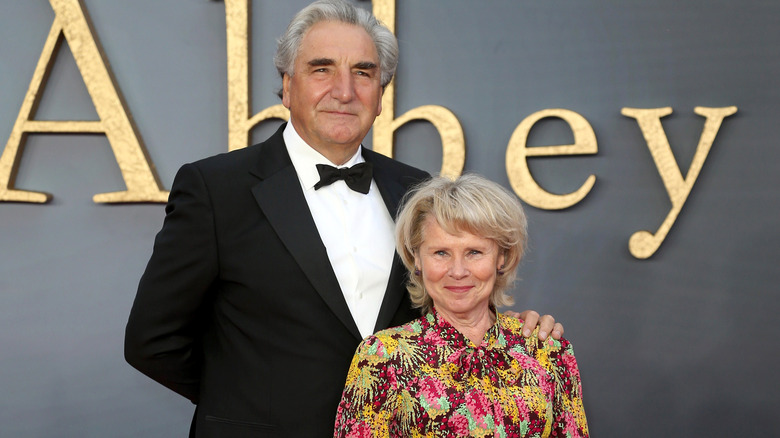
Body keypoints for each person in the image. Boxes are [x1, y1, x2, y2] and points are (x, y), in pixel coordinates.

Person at [124, 1, 562, 437]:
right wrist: (250, 401)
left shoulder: (417, 191)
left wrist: (517, 335)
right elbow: (152, 340)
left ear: (381, 97)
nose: (345, 91)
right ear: (287, 85)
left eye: (364, 73)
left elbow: (448, 313)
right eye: (322, 69)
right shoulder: (215, 188)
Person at [334, 174, 589, 437]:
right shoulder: (383, 356)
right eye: (441, 253)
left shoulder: (547, 350)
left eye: (474, 252)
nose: (458, 271)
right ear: (417, 258)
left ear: (501, 257)